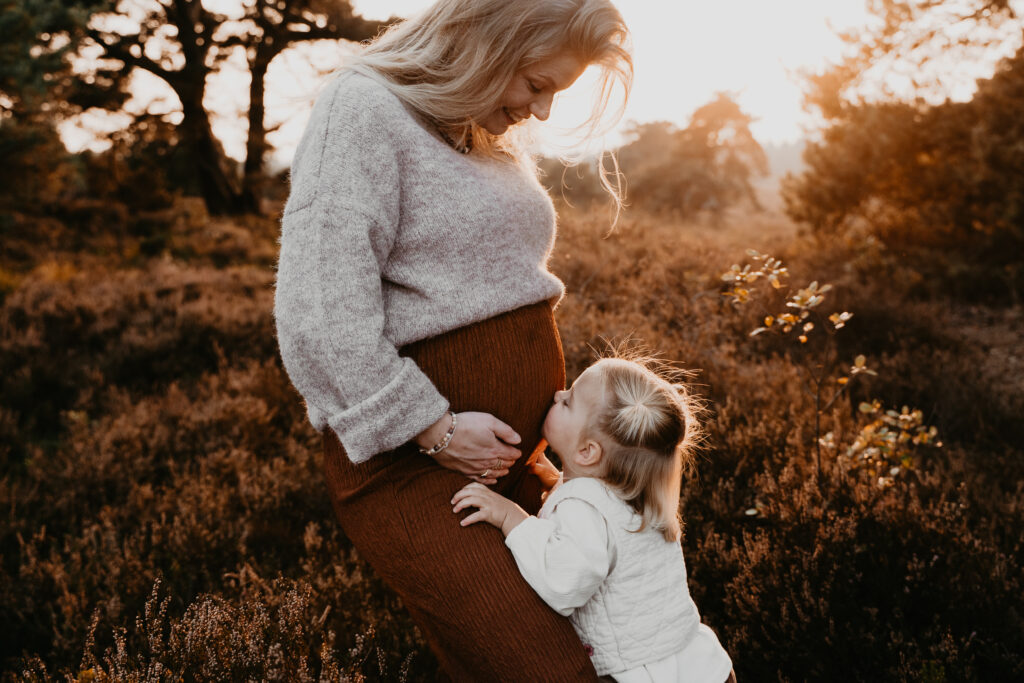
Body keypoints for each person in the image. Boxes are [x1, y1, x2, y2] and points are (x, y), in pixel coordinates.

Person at [273, 0, 632, 679]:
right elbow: (319, 310)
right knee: (552, 669)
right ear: (488, 44)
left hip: (513, 466)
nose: (545, 111)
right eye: (538, 84)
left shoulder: (476, 130)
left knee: (634, 646)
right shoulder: (361, 108)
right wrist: (433, 428)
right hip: (414, 470)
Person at [451, 356, 736, 683]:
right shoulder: (633, 490)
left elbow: (565, 581)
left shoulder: (584, 509)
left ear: (587, 452)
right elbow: (605, 519)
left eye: (568, 401)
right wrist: (555, 478)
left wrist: (509, 516)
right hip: (700, 665)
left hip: (644, 675)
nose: (557, 395)